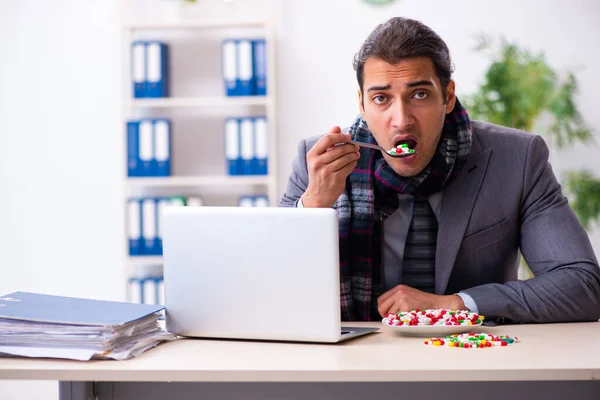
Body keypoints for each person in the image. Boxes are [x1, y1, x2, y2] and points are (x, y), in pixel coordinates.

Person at [279, 17, 600, 324]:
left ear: (447, 97)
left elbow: (583, 286)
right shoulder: (316, 164)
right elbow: (270, 287)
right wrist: (314, 207)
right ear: (361, 104)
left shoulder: (516, 159)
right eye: (381, 98)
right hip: (350, 362)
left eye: (419, 94)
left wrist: (456, 304)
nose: (401, 119)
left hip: (473, 359)